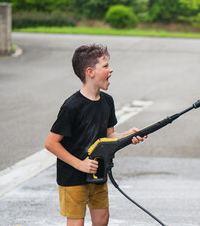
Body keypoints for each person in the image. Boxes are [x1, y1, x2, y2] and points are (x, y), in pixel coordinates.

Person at [45, 44, 145, 226]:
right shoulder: (72, 106)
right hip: (73, 175)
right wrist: (80, 164)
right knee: (76, 222)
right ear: (90, 72)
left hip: (98, 172)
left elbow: (110, 136)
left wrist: (127, 136)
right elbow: (51, 143)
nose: (111, 69)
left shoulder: (107, 101)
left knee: (102, 219)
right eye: (105, 66)